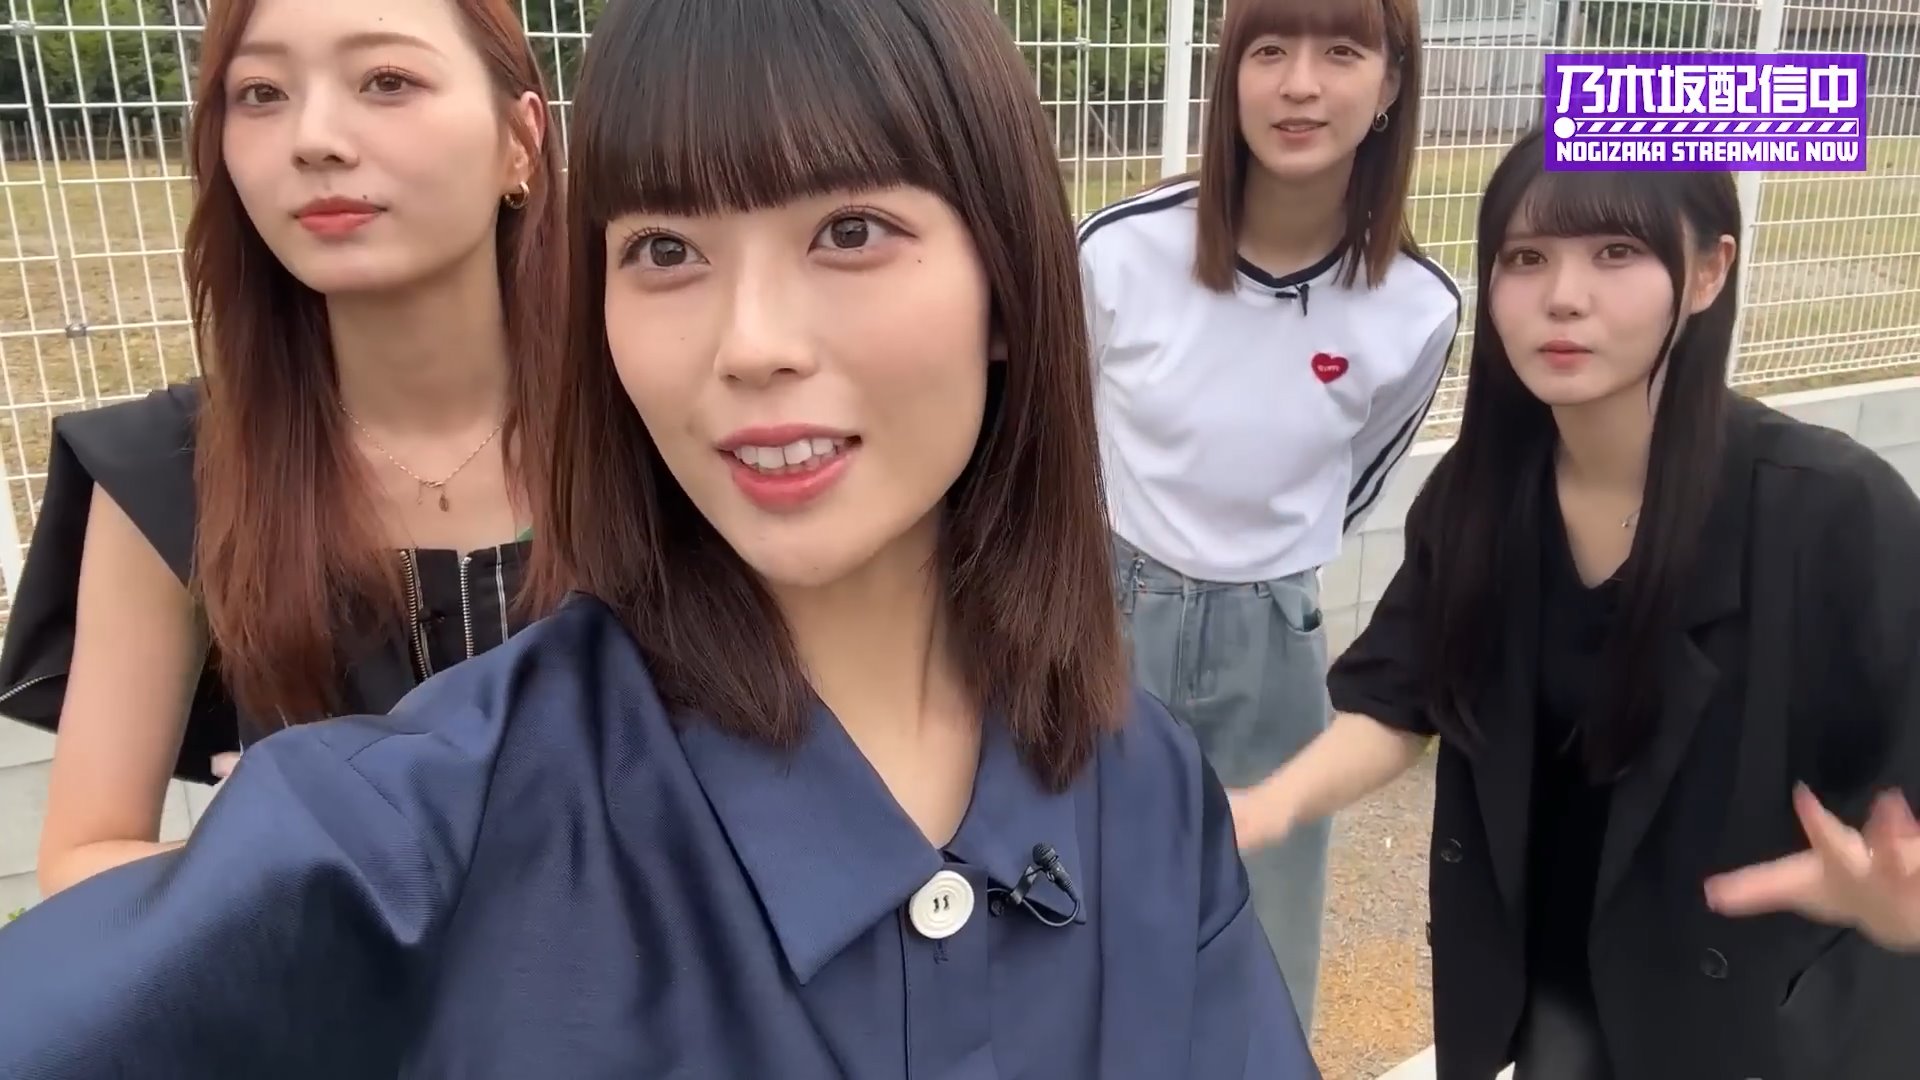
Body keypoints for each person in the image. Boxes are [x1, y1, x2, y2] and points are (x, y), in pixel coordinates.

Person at [0, 1, 1321, 1076]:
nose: (750, 345)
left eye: (850, 231)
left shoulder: (1148, 793)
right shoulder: (443, 818)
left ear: (1009, 286)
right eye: (668, 252)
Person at [1229, 126, 1920, 1079]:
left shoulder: (1831, 512)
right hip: (1550, 1007)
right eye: (1526, 258)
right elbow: (1404, 696)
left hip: (1755, 1025)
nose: (1563, 295)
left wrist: (1899, 910)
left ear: (1709, 271)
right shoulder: (1481, 493)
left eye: (1616, 252)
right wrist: (1265, 809)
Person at [0, 0, 564, 896]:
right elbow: (82, 862)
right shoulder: (174, 470)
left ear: (519, 141)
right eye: (261, 92)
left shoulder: (651, 429)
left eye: (387, 80)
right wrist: (268, 856)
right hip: (330, 984)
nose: (315, 140)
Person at [1077, 0, 1457, 1026]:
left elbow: (1358, 476)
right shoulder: (1116, 252)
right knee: (1081, 902)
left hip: (1275, 636)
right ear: (1231, 73)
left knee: (1264, 939)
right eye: (1271, 49)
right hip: (1108, 610)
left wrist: (1266, 573)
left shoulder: (1418, 308)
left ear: (1390, 84)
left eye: (1342, 52)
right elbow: (1048, 434)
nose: (1300, 84)